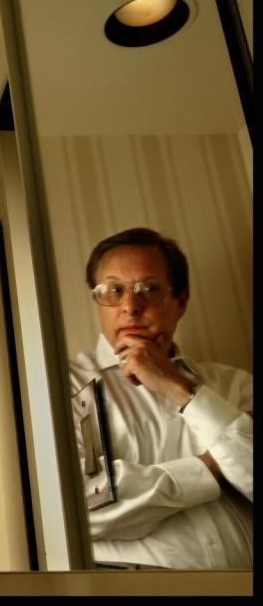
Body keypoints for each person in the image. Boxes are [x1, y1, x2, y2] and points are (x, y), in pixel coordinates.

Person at [70, 227, 252, 569]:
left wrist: (177, 386)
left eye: (149, 289)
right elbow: (76, 511)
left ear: (181, 301)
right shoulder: (61, 387)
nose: (130, 307)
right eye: (113, 291)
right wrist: (213, 467)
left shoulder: (237, 384)